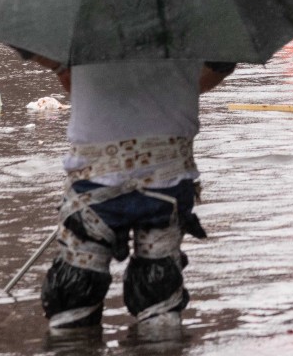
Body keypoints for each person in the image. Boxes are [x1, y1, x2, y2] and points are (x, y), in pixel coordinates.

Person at [25, 55, 237, 338]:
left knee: (73, 295)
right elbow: (211, 74)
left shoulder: (83, 32)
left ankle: (72, 337)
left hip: (95, 185)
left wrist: (62, 66)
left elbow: (71, 82)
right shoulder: (195, 27)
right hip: (167, 184)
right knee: (159, 290)